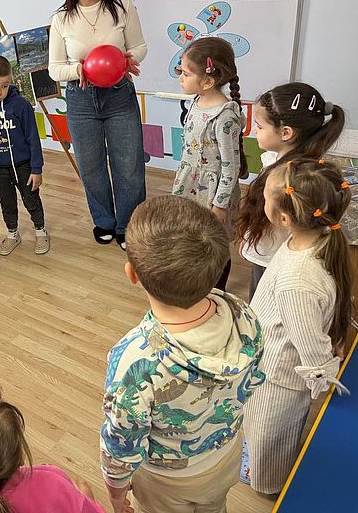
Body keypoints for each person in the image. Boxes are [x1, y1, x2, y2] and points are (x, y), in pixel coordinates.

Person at [101, 195, 264, 513]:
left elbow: (121, 442)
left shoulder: (133, 360)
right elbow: (253, 380)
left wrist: (116, 492)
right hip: (226, 455)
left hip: (168, 481)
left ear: (132, 274)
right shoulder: (244, 315)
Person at [243, 159, 354, 496]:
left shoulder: (298, 282)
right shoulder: (314, 238)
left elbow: (312, 352)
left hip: (277, 379)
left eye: (265, 197)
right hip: (270, 362)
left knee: (269, 437)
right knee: (265, 432)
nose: (262, 201)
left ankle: (269, 485)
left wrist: (324, 377)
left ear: (284, 218)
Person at [48, 0, 147, 250]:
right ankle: (104, 221)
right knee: (91, 166)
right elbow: (54, 69)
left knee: (128, 164)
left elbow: (139, 46)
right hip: (81, 99)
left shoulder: (122, 6)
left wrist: (130, 59)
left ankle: (128, 224)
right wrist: (79, 70)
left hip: (119, 95)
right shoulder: (61, 18)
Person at [235, 82, 345, 298]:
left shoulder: (290, 177)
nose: (254, 130)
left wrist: (252, 240)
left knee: (262, 304)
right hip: (267, 250)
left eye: (260, 126)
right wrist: (249, 240)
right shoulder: (276, 160)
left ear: (285, 133)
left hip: (275, 259)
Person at [172, 36, 246, 291]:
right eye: (180, 71)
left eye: (186, 73)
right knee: (193, 234)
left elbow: (230, 166)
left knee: (216, 242)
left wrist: (220, 204)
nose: (180, 78)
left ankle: (217, 291)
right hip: (190, 184)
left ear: (208, 81)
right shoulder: (197, 100)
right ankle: (198, 280)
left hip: (213, 193)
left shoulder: (225, 117)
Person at [0, 55, 49, 256]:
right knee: (6, 202)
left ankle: (40, 230)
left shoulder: (20, 105)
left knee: (31, 199)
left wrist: (36, 169)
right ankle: (13, 233)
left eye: (5, 86)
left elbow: (33, 138)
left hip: (24, 165)